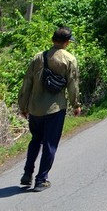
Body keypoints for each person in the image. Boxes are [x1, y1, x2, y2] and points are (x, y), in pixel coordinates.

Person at [17, 26, 82, 191]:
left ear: (53, 40)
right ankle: (41, 180)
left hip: (35, 108)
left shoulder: (38, 57)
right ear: (67, 42)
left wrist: (23, 106)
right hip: (55, 109)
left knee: (35, 140)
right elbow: (73, 85)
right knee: (50, 144)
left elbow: (27, 83)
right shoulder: (69, 59)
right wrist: (76, 104)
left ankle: (27, 173)